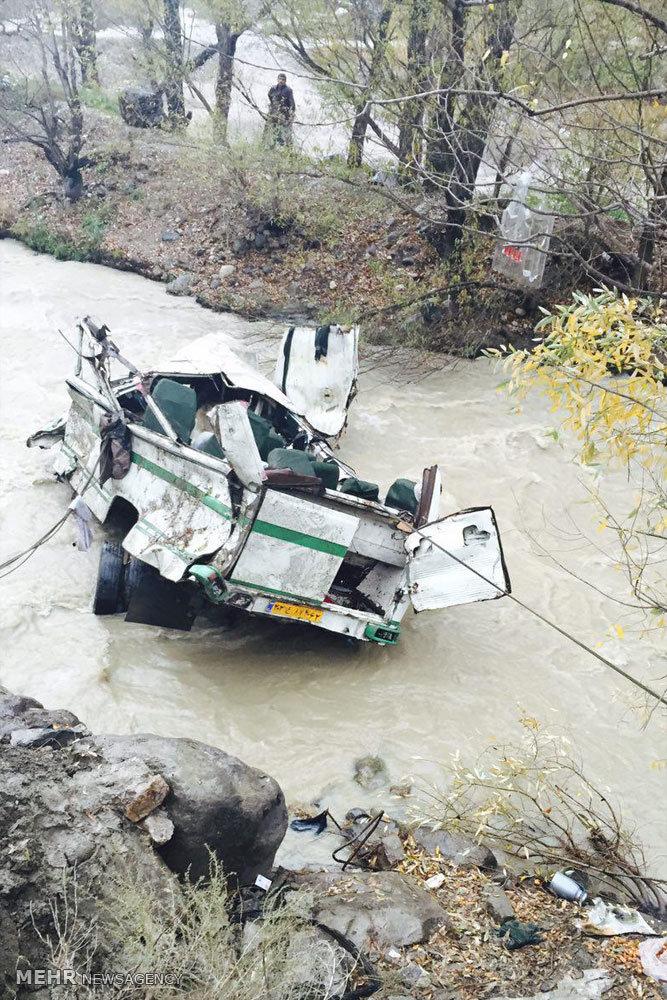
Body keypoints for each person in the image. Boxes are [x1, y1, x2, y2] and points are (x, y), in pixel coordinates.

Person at [265, 73, 296, 148]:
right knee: (273, 131)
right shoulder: (273, 88)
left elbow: (292, 105)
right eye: (280, 79)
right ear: (277, 79)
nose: (281, 81)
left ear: (285, 81)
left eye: (283, 80)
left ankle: (288, 149)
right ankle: (273, 147)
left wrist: (290, 117)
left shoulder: (288, 90)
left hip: (285, 115)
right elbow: (269, 95)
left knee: (287, 133)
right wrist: (273, 106)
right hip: (274, 114)